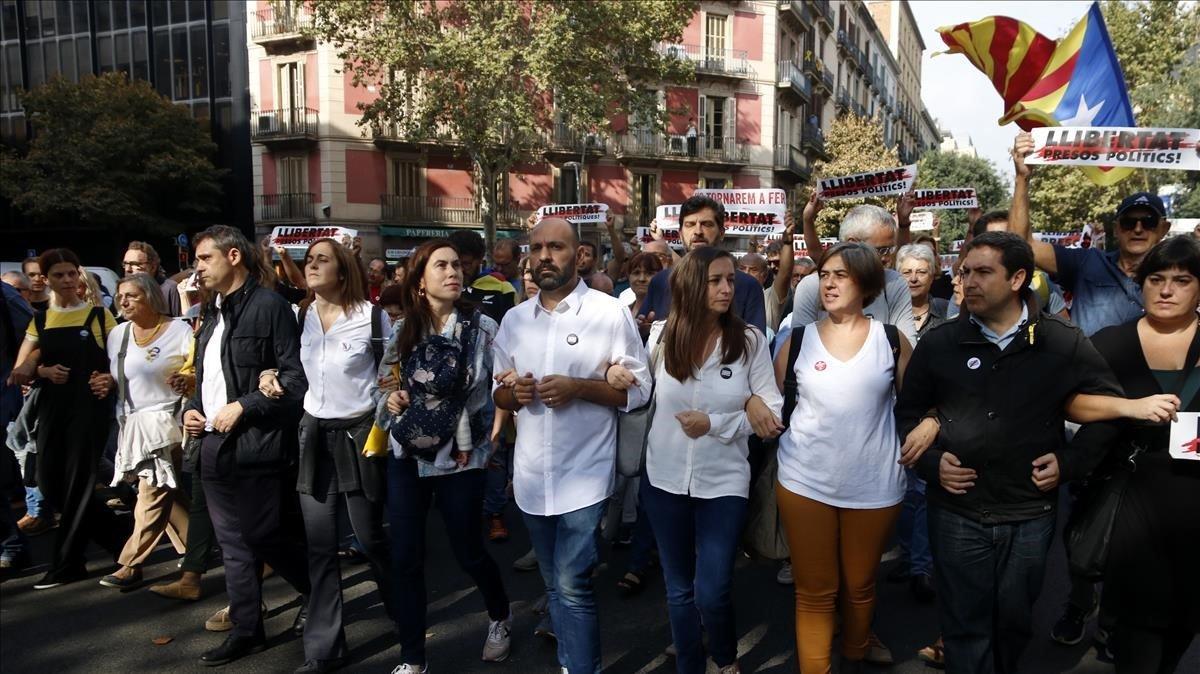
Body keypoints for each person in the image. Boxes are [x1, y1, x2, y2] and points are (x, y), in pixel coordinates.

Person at [896, 232, 1122, 674]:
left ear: (1019, 278)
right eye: (964, 272)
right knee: (964, 627)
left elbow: (1108, 410)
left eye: (983, 272)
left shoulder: (1061, 340)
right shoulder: (940, 343)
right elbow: (907, 415)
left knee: (1014, 622)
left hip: (1028, 513)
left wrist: (1070, 463)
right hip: (956, 513)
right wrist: (930, 462)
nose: (969, 282)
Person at [1010, 131, 1164, 647]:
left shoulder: (1174, 274)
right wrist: (1022, 180)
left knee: (1137, 524)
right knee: (1080, 517)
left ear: (1163, 230)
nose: (1138, 229)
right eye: (1129, 222)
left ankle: (1118, 618)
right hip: (1087, 414)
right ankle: (1080, 605)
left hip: (1150, 418)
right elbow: (1017, 251)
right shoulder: (1088, 263)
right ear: (1114, 229)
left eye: (1148, 222)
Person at [492, 218, 651, 674]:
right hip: (530, 475)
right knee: (553, 582)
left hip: (586, 474)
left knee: (571, 581)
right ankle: (569, 662)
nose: (544, 256)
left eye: (556, 247)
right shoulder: (514, 319)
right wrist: (513, 395)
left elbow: (639, 391)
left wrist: (580, 388)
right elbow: (498, 392)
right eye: (537, 247)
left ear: (578, 255)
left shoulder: (608, 312)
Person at [616, 247, 782, 674]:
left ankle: (725, 661)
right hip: (664, 480)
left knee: (712, 590)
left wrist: (720, 422)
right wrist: (614, 374)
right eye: (716, 280)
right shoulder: (662, 337)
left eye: (731, 279)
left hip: (724, 483)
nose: (728, 288)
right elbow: (639, 394)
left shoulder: (749, 342)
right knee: (678, 591)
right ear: (691, 285)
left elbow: (773, 413)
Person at [772, 242, 914, 672]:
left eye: (841, 275)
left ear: (867, 283)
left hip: (875, 485)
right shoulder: (797, 340)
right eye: (825, 274)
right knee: (815, 591)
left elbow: (917, 404)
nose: (829, 283)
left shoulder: (891, 340)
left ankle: (856, 649)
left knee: (859, 585)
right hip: (804, 482)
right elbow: (773, 399)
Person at [259, 238, 396, 674]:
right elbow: (293, 369)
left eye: (322, 260)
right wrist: (270, 375)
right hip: (314, 435)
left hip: (360, 437)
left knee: (370, 538)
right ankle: (323, 651)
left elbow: (390, 377)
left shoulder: (372, 318)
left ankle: (403, 607)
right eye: (309, 260)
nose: (311, 265)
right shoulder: (301, 314)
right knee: (319, 548)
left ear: (343, 271)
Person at [376, 239, 513, 672]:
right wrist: (393, 399)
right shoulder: (403, 331)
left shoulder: (484, 329)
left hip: (461, 458)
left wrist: (494, 435)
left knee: (468, 550)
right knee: (406, 556)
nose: (453, 272)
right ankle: (413, 658)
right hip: (407, 455)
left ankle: (499, 617)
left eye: (456, 265)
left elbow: (502, 385)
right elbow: (383, 384)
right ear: (420, 281)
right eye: (441, 266)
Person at [182, 225, 312, 666]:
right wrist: (192, 409)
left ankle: (317, 589)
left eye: (204, 258)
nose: (197, 267)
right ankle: (246, 630)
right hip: (213, 445)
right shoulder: (211, 312)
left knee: (262, 535)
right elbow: (208, 378)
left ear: (233, 256)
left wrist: (245, 405)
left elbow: (296, 380)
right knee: (233, 546)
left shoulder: (271, 306)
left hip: (259, 444)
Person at [1083, 236, 1200, 673]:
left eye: (1182, 280)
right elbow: (1073, 403)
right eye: (1157, 279)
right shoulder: (1111, 342)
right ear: (1141, 284)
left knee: (1182, 627)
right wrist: (1127, 407)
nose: (1167, 289)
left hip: (1195, 509)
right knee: (1138, 635)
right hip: (1134, 497)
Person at [9, 248, 127, 589]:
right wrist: (42, 369)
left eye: (71, 273)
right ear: (46, 279)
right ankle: (123, 541)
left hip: (89, 408)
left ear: (79, 275)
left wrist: (110, 379)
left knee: (78, 482)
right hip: (52, 408)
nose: (66, 280)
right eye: (58, 275)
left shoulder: (99, 316)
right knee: (48, 480)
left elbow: (121, 362)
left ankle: (67, 564)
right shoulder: (41, 319)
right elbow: (21, 369)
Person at [89, 273, 192, 590]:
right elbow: (120, 377)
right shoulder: (118, 334)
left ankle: (130, 564)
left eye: (131, 295)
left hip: (167, 422)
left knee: (151, 491)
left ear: (151, 297)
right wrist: (107, 383)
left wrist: (187, 379)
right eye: (121, 295)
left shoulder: (180, 330)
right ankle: (199, 548)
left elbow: (196, 368)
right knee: (171, 493)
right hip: (131, 425)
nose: (123, 301)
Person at [639, 194, 767, 333]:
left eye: (707, 224)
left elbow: (756, 347)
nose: (698, 231)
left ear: (722, 233)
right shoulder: (660, 282)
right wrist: (645, 331)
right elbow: (643, 336)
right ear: (680, 234)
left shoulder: (748, 286)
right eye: (690, 224)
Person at [794, 201, 916, 344]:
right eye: (881, 250)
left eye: (890, 250)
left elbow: (907, 347)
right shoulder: (811, 287)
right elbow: (799, 349)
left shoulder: (894, 283)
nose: (886, 258)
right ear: (852, 243)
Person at [969, 210, 1068, 319]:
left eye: (1011, 237)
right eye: (996, 239)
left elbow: (1065, 328)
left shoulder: (1041, 282)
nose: (1006, 244)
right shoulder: (967, 287)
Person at [448, 230, 517, 325]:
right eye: (455, 264)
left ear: (480, 259)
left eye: (466, 264)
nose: (460, 270)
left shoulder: (502, 288)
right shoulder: (442, 287)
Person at [123, 241, 182, 316]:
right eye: (125, 264)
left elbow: (178, 324)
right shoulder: (121, 292)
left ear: (153, 267)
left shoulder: (169, 289)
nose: (127, 269)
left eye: (135, 264)